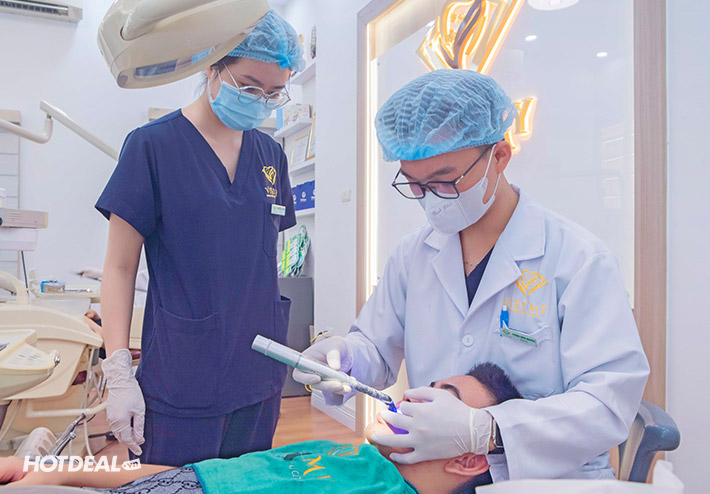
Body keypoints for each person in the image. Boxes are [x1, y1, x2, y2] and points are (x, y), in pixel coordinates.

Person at [293, 69, 650, 481]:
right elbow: (376, 345)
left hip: (545, 478)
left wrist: (489, 430)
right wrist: (344, 359)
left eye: (445, 180)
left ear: (500, 156)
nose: (431, 199)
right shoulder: (413, 254)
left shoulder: (578, 260)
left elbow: (607, 403)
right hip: (434, 474)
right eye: (415, 184)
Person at [95, 10, 304, 466]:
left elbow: (259, 261)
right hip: (182, 375)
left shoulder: (271, 154)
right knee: (172, 485)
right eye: (249, 86)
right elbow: (119, 268)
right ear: (212, 64)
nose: (260, 101)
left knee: (245, 484)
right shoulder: (152, 146)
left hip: (259, 374)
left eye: (273, 93)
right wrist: (118, 372)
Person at [0, 363, 522, 494]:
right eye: (427, 388)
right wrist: (50, 468)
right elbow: (194, 477)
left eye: (444, 402)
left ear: (470, 457)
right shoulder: (344, 455)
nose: (412, 397)